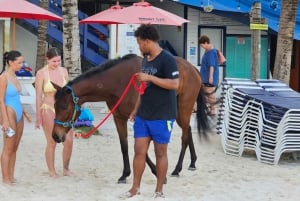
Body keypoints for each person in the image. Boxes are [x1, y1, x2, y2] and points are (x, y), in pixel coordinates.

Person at [122, 24, 179, 199]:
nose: (139, 46)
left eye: (139, 42)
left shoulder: (167, 59)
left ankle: (159, 190)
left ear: (147, 41)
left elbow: (175, 84)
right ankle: (135, 188)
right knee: (139, 150)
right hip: (144, 114)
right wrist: (135, 109)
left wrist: (150, 77)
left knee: (160, 152)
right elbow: (143, 88)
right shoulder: (145, 60)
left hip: (163, 115)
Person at [35, 47, 74, 178]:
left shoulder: (63, 71)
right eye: (53, 61)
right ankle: (52, 171)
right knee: (52, 142)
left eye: (58, 61)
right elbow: (38, 96)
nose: (56, 64)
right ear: (47, 60)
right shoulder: (41, 73)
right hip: (48, 108)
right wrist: (38, 117)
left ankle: (66, 168)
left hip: (64, 110)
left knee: (68, 140)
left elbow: (69, 92)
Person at [0, 50, 24, 184]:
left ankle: (11, 175)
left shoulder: (15, 76)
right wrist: (5, 120)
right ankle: (5, 178)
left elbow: (16, 96)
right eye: (19, 62)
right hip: (9, 112)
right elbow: (0, 100)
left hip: (19, 111)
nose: (21, 65)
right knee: (8, 147)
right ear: (10, 62)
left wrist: (24, 112)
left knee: (15, 147)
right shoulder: (3, 78)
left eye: (22, 62)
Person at [198, 35, 219, 116]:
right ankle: (208, 109)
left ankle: (213, 110)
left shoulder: (211, 52)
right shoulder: (207, 51)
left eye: (202, 45)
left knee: (209, 93)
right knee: (205, 92)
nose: (202, 47)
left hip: (208, 77)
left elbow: (211, 66)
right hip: (204, 77)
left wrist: (210, 77)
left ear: (206, 43)